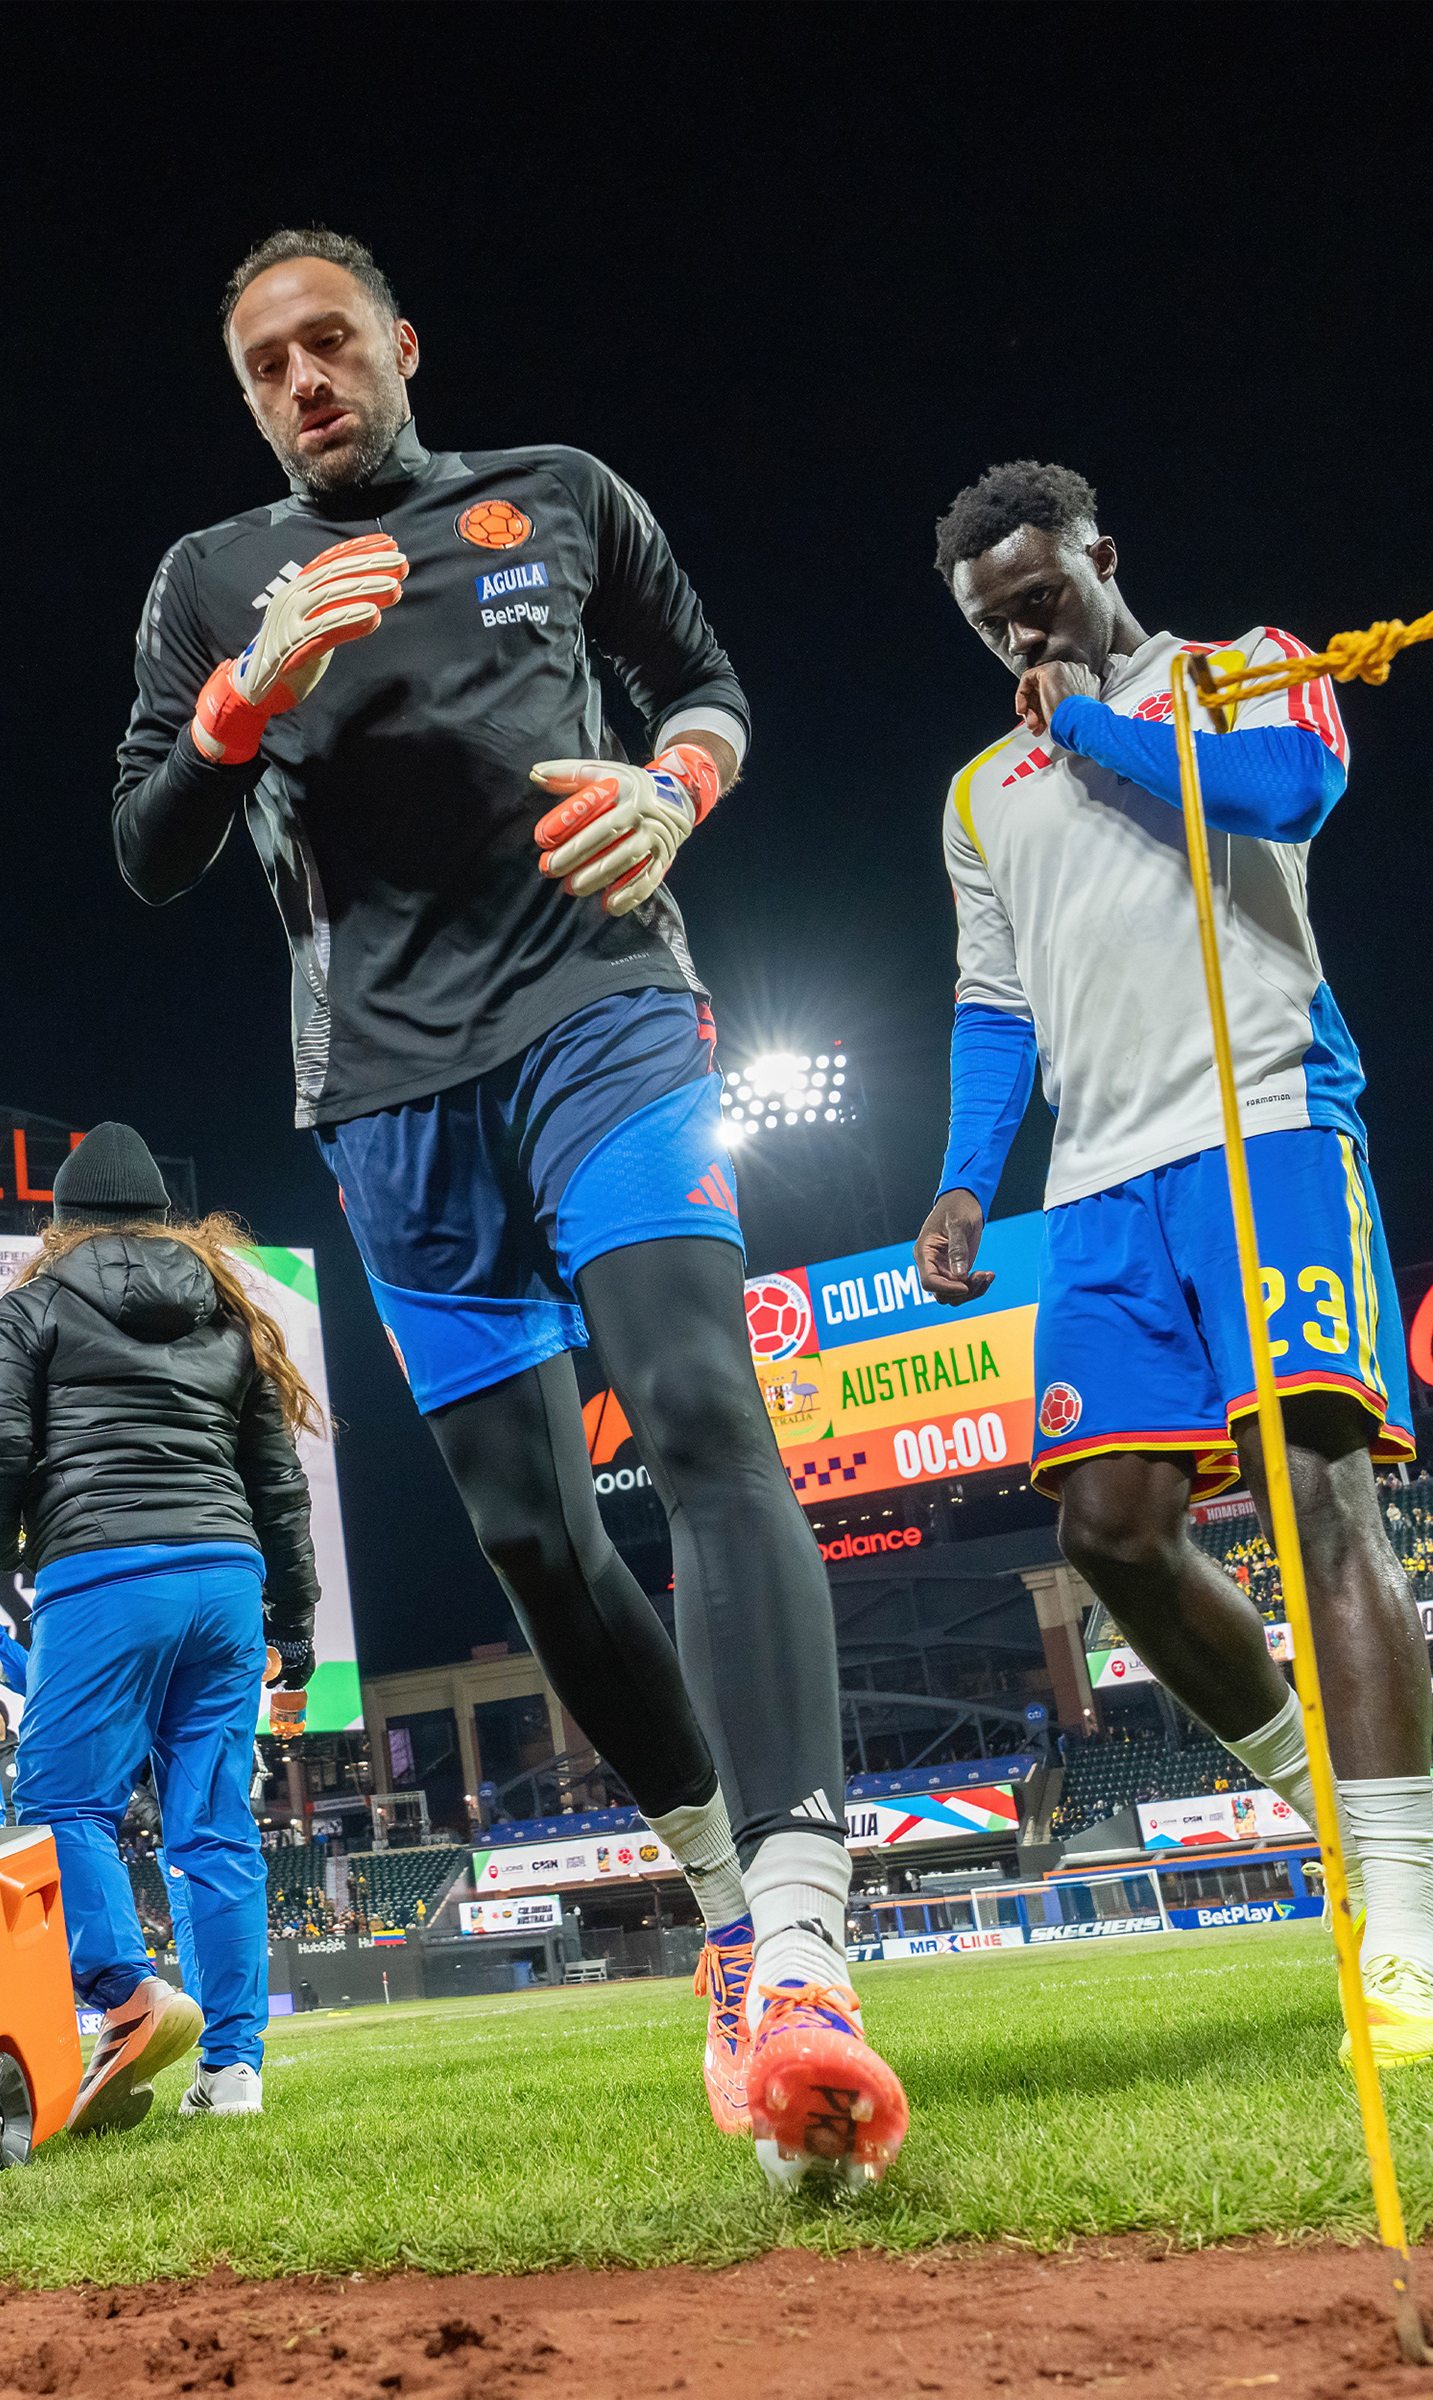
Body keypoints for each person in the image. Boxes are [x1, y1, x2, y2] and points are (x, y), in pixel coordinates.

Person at [111, 226, 906, 2185]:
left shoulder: (557, 501)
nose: (302, 378)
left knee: (705, 1413)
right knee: (541, 1543)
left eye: (327, 342)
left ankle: (808, 1952)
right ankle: (728, 1913)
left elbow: (705, 685)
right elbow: (144, 847)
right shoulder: (213, 584)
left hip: (604, 1011)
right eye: (263, 365)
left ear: (397, 343)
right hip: (386, 1109)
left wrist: (682, 784)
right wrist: (240, 699)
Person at [914, 461, 1431, 2062]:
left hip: (1267, 1126)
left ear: (1099, 558)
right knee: (1113, 1529)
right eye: (991, 619)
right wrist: (956, 1181)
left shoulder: (1243, 669)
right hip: (1099, 1184)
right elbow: (995, 1005)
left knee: (1317, 1494)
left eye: (1039, 594)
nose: (1019, 630)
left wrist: (1092, 727)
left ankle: (1409, 1931)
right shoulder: (975, 795)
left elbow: (1286, 801)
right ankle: (1332, 1813)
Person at [0, 1122, 321, 2130]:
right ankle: (233, 2070)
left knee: (63, 1798)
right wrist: (297, 1616)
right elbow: (278, 1486)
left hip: (104, 1568)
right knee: (214, 1825)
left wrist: (5, 1550)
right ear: (165, 1221)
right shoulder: (230, 1313)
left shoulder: (30, 1308)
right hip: (227, 1578)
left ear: (62, 1225)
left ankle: (123, 1998)